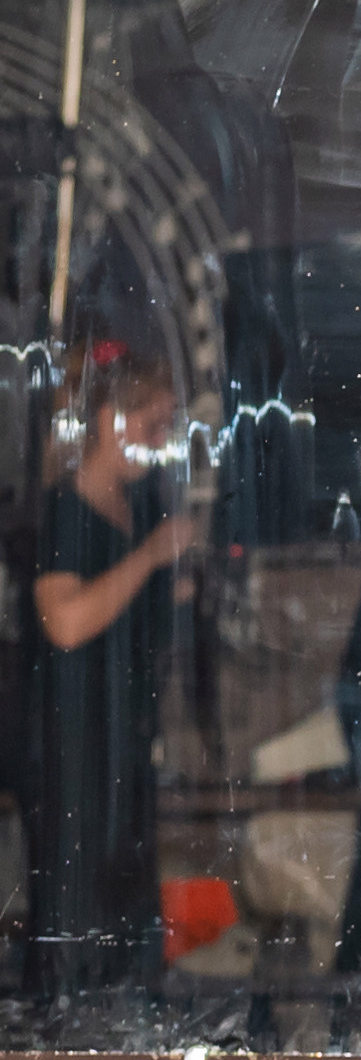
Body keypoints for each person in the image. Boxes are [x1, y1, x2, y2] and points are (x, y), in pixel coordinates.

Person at [29, 340, 195, 1008]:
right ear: (107, 421)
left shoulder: (142, 506)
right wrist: (153, 558)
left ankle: (125, 1005)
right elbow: (65, 621)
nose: (160, 442)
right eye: (151, 425)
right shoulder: (66, 508)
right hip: (73, 727)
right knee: (76, 876)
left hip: (125, 721)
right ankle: (67, 1015)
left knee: (125, 871)